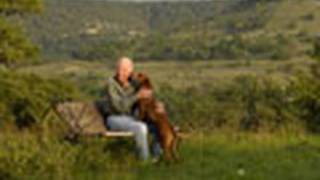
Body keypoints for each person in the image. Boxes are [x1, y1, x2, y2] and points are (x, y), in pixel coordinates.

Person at [106, 56, 163, 161]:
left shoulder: (134, 83)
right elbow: (118, 107)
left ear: (131, 71)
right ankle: (145, 162)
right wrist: (137, 96)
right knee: (140, 127)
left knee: (158, 124)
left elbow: (146, 96)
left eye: (124, 70)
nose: (120, 73)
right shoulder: (111, 83)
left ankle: (157, 158)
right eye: (119, 69)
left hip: (132, 118)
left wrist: (156, 106)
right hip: (115, 118)